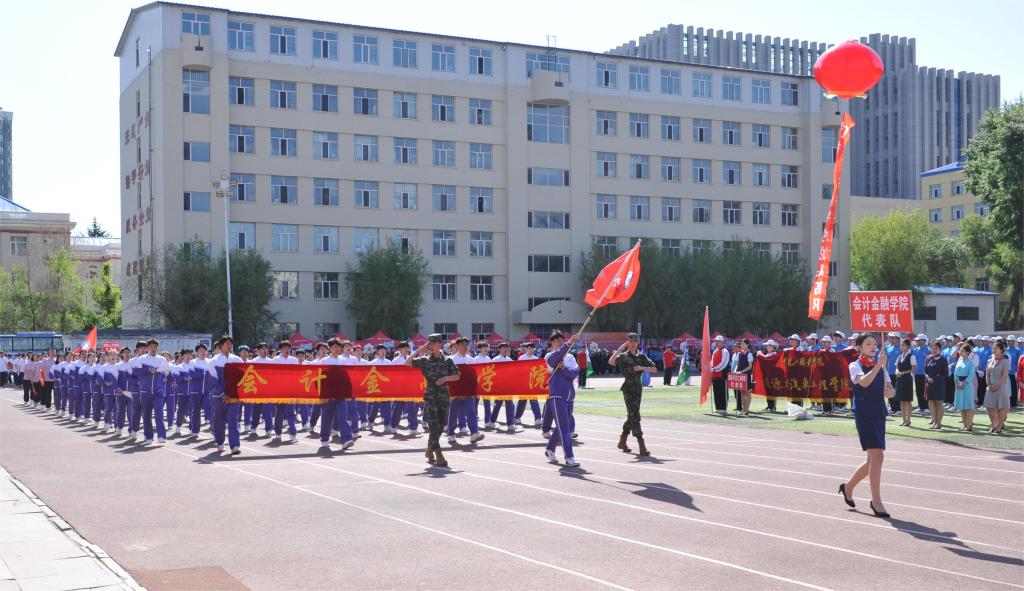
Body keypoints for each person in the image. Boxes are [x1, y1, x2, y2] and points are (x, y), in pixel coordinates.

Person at [839, 334, 893, 519]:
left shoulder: (881, 366)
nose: (872, 346)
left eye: (874, 344)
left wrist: (890, 391)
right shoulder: (854, 366)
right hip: (864, 413)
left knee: (872, 460)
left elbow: (890, 389)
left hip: (879, 413)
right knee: (878, 456)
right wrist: (879, 365)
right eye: (868, 344)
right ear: (859, 347)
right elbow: (863, 382)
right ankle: (876, 501)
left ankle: (848, 487)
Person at [406, 334, 460, 468]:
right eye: (430, 343)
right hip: (431, 396)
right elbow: (407, 362)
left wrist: (445, 379)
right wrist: (418, 351)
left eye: (434, 343)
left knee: (441, 426)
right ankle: (438, 454)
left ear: (440, 344)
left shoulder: (447, 360)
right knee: (434, 425)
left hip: (444, 396)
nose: (431, 346)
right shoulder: (424, 360)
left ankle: (430, 449)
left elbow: (457, 375)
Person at [608, 332, 657, 456]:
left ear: (637, 343)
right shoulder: (623, 356)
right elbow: (611, 362)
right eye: (631, 341)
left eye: (635, 341)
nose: (633, 343)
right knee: (635, 415)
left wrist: (642, 368)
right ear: (627, 343)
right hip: (628, 388)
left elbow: (654, 369)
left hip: (638, 388)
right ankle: (641, 445)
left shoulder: (641, 356)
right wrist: (620, 348)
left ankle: (623, 440)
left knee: (632, 415)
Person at [544, 331, 579, 466]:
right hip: (557, 396)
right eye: (557, 340)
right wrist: (569, 344)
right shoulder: (549, 356)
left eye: (562, 340)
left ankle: (550, 449)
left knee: (561, 427)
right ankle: (569, 457)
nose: (560, 342)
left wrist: (563, 368)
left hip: (569, 397)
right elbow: (553, 360)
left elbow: (574, 373)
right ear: (551, 343)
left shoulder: (570, 357)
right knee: (565, 428)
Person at [272, 340, 300, 442]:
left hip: (290, 389)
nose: (287, 350)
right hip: (279, 390)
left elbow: (297, 374)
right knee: (279, 412)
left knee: (291, 412)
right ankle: (278, 432)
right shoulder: (275, 360)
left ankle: (293, 434)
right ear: (280, 349)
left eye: (288, 348)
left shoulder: (294, 360)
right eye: (284, 348)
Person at [485, 342, 516, 433]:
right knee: (498, 404)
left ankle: (510, 424)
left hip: (508, 385)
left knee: (509, 404)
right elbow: (491, 372)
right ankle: (492, 421)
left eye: (507, 348)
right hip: (499, 385)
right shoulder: (495, 360)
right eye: (503, 348)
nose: (506, 349)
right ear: (499, 349)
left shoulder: (510, 360)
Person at [984, 341, 1010, 434]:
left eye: (996, 348)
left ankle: (999, 427)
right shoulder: (989, 360)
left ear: (1001, 350)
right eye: (993, 348)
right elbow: (987, 373)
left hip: (1001, 386)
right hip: (990, 386)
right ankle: (993, 424)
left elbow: (1005, 376)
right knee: (989, 406)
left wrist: (996, 385)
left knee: (1001, 407)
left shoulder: (1005, 361)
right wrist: (988, 384)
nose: (994, 350)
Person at [514, 342, 543, 427]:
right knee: (522, 401)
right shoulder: (521, 358)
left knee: (534, 400)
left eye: (532, 348)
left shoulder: (535, 358)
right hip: (524, 382)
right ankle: (517, 417)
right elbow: (519, 370)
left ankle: (538, 418)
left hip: (533, 382)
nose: (531, 350)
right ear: (526, 349)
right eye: (529, 348)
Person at [924, 340, 948, 429]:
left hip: (939, 384)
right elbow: (925, 371)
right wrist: (928, 378)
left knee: (939, 403)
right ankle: (934, 422)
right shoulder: (929, 359)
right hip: (930, 385)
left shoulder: (943, 360)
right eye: (933, 348)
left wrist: (935, 379)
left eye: (936, 348)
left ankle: (939, 423)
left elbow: (945, 373)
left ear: (940, 349)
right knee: (933, 403)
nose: (934, 350)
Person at [953, 343, 976, 431]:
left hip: (967, 386)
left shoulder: (971, 362)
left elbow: (971, 375)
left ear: (967, 352)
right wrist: (956, 383)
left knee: (968, 406)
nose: (960, 352)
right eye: (960, 351)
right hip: (959, 385)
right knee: (961, 406)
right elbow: (955, 374)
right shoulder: (959, 361)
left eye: (962, 351)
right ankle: (964, 424)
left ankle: (969, 425)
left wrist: (963, 383)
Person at [893, 339, 915, 426]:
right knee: (901, 400)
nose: (901, 347)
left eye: (903, 345)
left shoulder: (911, 356)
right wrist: (897, 372)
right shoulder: (899, 356)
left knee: (907, 400)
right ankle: (903, 420)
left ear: (908, 346)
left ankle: (908, 420)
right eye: (901, 345)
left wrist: (903, 373)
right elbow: (896, 367)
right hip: (900, 380)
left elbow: (913, 369)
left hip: (907, 380)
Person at [731, 339, 753, 415]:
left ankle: (746, 410)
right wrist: (735, 371)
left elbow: (750, 366)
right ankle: (744, 410)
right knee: (742, 393)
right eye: (741, 344)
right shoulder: (739, 354)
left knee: (747, 393)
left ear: (747, 345)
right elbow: (737, 364)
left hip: (747, 376)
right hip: (740, 376)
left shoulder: (749, 354)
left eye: (743, 344)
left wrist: (741, 371)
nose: (742, 345)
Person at [709, 335, 730, 416]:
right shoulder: (715, 351)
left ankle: (723, 409)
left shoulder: (725, 351)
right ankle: (718, 408)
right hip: (715, 375)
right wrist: (711, 368)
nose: (716, 343)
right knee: (716, 392)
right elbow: (712, 361)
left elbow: (724, 363)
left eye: (717, 341)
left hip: (722, 375)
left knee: (723, 392)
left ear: (722, 342)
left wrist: (715, 369)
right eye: (715, 341)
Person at [911, 334, 929, 415]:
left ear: (924, 341)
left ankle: (926, 407)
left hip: (925, 374)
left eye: (919, 340)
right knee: (918, 390)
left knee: (925, 391)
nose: (917, 342)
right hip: (917, 373)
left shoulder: (928, 350)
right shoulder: (915, 350)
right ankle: (921, 406)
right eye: (917, 341)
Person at [1006, 335, 1020, 408]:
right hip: (1006, 373)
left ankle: (1013, 403)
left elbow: (1018, 362)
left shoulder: (1017, 351)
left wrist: (1017, 372)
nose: (1008, 341)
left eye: (1010, 340)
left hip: (1014, 373)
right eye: (1008, 340)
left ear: (1014, 341)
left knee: (1014, 388)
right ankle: (1008, 402)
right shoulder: (1005, 350)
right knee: (1007, 388)